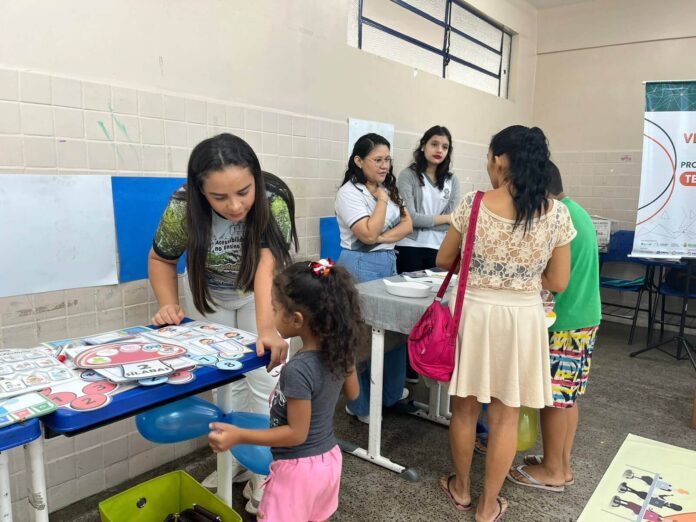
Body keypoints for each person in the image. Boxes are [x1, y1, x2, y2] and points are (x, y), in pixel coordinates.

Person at [148, 133, 298, 515]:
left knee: (268, 381)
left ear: (256, 182)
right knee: (223, 384)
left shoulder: (273, 200)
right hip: (208, 296)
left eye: (243, 192)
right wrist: (168, 305)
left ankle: (265, 474)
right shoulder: (182, 209)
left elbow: (267, 269)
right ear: (200, 193)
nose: (235, 205)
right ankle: (232, 460)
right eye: (219, 198)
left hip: (258, 293)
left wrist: (267, 329)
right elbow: (161, 258)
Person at [436, 126, 575, 522]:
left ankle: (461, 488)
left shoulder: (474, 203)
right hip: (523, 318)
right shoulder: (557, 214)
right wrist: (523, 280)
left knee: (464, 410)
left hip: (476, 313)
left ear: (500, 160)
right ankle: (487, 506)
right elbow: (559, 282)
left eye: (488, 158)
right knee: (505, 417)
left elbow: (445, 260)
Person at [208, 259, 361, 522]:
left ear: (297, 319)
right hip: (328, 462)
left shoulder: (299, 369)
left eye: (275, 309)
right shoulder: (341, 352)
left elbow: (296, 434)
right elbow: (354, 394)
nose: (272, 314)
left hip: (296, 471)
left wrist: (239, 436)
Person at [507, 161, 601, 493]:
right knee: (567, 397)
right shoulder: (576, 211)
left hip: (566, 322)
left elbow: (553, 279)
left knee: (553, 399)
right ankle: (561, 463)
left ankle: (554, 471)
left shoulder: (559, 218)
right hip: (583, 317)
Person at [334, 133, 413, 423]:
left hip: (387, 262)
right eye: (377, 160)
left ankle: (390, 395)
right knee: (362, 337)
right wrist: (380, 202)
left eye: (387, 160)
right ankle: (360, 404)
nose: (384, 166)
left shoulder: (389, 187)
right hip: (359, 265)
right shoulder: (348, 193)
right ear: (358, 160)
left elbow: (408, 224)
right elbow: (364, 234)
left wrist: (378, 237)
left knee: (394, 332)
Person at [396, 125, 460, 273]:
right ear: (423, 145)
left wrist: (422, 221)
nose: (439, 150)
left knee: (434, 294)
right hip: (409, 247)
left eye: (445, 147)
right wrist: (444, 219)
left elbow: (454, 220)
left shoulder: (452, 180)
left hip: (440, 249)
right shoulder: (408, 175)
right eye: (434, 144)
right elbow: (410, 218)